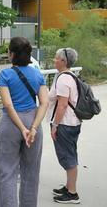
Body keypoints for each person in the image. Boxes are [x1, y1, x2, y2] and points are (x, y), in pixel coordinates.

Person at [0, 37, 49, 207]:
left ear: (11, 54)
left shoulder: (6, 74)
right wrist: (32, 128)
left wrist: (21, 127)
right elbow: (44, 102)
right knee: (31, 171)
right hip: (33, 120)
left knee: (7, 170)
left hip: (11, 124)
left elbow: (7, 104)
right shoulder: (37, 74)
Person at [45, 48, 81, 204]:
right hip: (72, 123)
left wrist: (55, 125)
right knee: (70, 154)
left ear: (63, 61)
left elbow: (62, 105)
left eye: (56, 58)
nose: (54, 60)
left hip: (65, 124)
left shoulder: (63, 79)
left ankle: (72, 194)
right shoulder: (70, 76)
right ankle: (69, 187)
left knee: (68, 158)